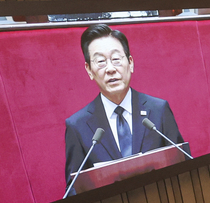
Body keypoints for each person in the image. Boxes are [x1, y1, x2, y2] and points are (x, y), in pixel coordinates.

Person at [63, 22, 185, 193]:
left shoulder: (159, 110)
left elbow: (183, 166)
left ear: (130, 63)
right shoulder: (77, 126)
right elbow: (74, 190)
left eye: (115, 59)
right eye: (100, 62)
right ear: (89, 70)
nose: (111, 69)